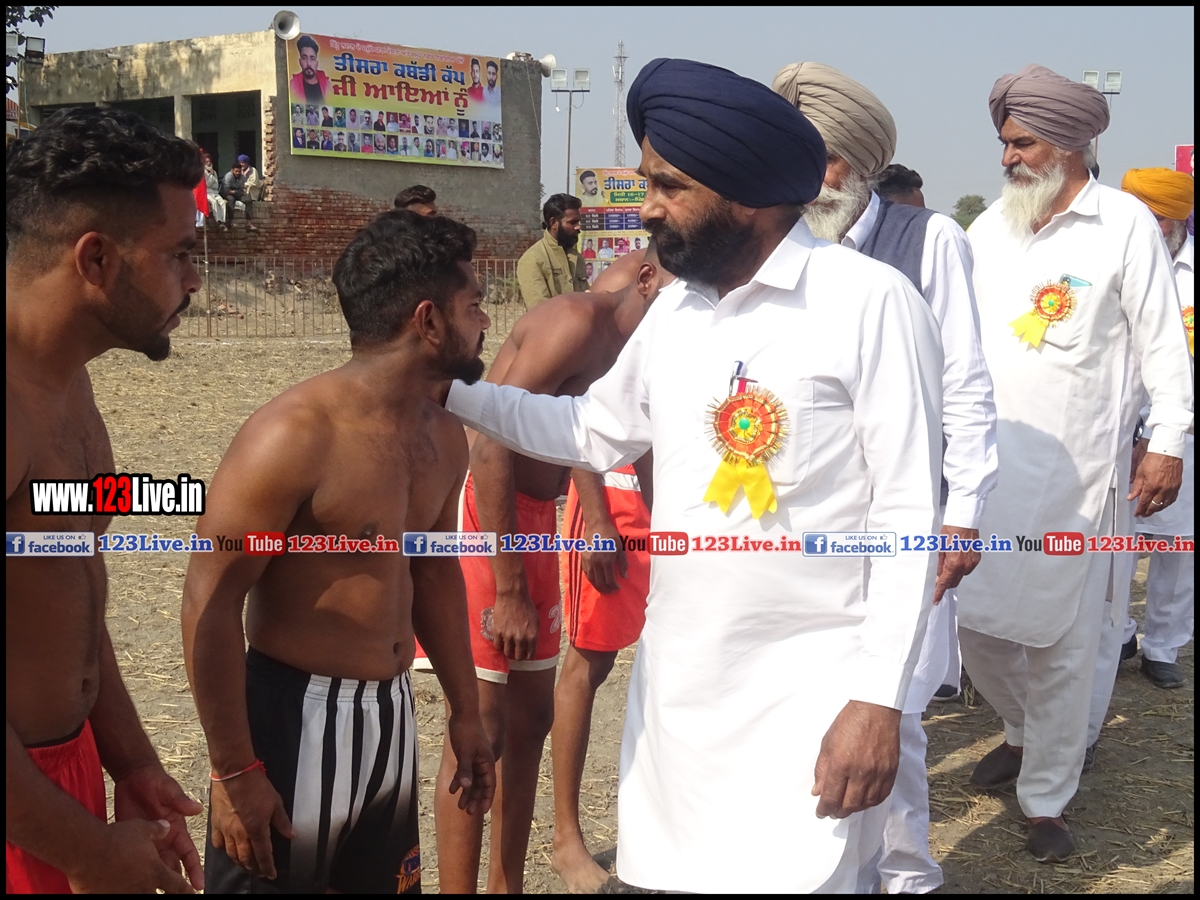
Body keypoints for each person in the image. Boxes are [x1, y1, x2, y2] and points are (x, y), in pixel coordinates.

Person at [444, 57, 945, 893]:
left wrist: (878, 702)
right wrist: (453, 392)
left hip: (811, 699)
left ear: (745, 194)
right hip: (678, 705)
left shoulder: (869, 302)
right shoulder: (677, 312)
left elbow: (908, 516)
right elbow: (591, 430)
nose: (647, 208)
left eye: (668, 186)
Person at [182, 210, 497, 894]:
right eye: (474, 305)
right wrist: (234, 770)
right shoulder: (293, 436)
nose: (486, 322)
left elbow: (433, 574)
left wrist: (466, 710)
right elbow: (212, 596)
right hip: (290, 720)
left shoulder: (443, 435)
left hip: (390, 717)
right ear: (428, 321)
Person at [955, 64, 1192, 863]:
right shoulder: (989, 229)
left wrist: (1168, 442)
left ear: (1069, 144)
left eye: (1022, 143)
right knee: (976, 627)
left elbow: (1163, 343)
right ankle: (1024, 730)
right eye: (1004, 143)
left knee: (1061, 644)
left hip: (1082, 481)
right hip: (987, 473)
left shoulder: (1122, 224)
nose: (1007, 158)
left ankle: (1047, 798)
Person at [774, 61, 998, 895]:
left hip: (903, 520)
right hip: (802, 518)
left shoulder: (928, 240)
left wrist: (963, 512)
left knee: (889, 708)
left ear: (863, 162)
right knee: (806, 698)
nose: (812, 179)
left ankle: (905, 875)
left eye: (825, 158)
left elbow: (967, 384)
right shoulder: (780, 241)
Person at [417, 241, 671, 893]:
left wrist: (675, 540)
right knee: (481, 727)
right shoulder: (574, 323)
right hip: (488, 516)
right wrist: (508, 590)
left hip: (538, 519)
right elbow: (490, 444)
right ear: (646, 278)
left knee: (531, 721)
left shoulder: (648, 346)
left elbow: (619, 440)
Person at [6, 105, 205, 894]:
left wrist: (134, 763)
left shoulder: (68, 378)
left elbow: (70, 585)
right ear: (96, 258)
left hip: (60, 781)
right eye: (178, 254)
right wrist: (88, 852)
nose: (194, 280)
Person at [550, 248, 671, 892]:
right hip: (612, 505)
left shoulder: (717, 273)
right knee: (589, 663)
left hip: (673, 506)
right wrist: (596, 516)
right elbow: (579, 412)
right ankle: (566, 839)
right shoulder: (619, 291)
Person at [1087, 168, 1195, 753]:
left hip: (1181, 438)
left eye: (1157, 219)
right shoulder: (1108, 257)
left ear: (1177, 222)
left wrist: (1167, 434)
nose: (1147, 227)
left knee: (1179, 549)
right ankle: (1120, 633)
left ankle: (1163, 647)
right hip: (1117, 432)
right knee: (1115, 547)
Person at [516, 193, 589, 308]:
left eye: (578, 222)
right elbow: (539, 309)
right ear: (553, 223)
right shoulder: (533, 259)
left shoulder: (576, 257)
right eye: (572, 222)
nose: (578, 227)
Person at [290, 35, 329, 104]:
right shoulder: (293, 85)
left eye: (312, 58)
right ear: (300, 61)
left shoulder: (327, 85)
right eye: (304, 58)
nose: (308, 63)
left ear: (317, 63)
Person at [221, 162, 258, 231]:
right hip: (226, 194)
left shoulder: (242, 177)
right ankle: (230, 221)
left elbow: (241, 189)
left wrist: (234, 192)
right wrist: (234, 192)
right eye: (236, 171)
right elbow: (226, 190)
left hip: (237, 193)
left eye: (239, 171)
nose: (238, 173)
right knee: (231, 200)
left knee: (248, 200)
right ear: (232, 170)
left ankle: (248, 223)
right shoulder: (228, 176)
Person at [201, 152, 229, 229]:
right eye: (207, 162)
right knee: (214, 202)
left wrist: (212, 175)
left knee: (222, 202)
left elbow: (216, 185)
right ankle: (218, 221)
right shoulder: (203, 172)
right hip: (207, 192)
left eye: (209, 161)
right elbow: (207, 184)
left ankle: (223, 221)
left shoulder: (214, 172)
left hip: (215, 192)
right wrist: (211, 175)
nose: (208, 163)